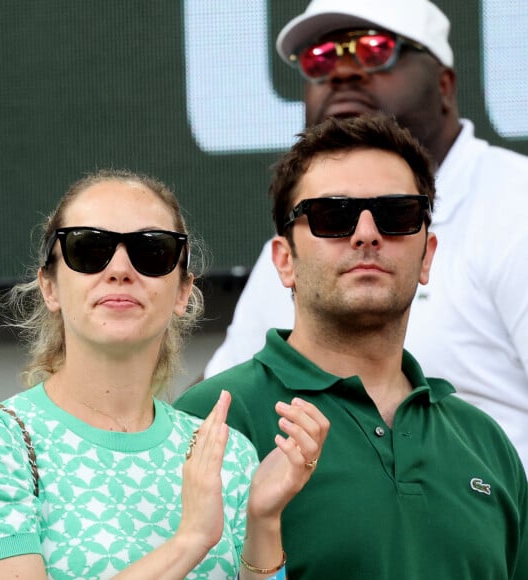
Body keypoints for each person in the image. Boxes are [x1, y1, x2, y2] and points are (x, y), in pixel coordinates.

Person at [176, 114, 528, 579]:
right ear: (284, 262)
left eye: (397, 214)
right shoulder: (208, 421)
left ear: (428, 255)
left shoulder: (487, 444)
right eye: (332, 216)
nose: (366, 233)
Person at [0, 169, 329, 579]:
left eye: (153, 252)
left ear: (183, 292)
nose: (119, 269)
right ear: (50, 286)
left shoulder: (229, 455)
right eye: (88, 248)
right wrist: (190, 540)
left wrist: (264, 520)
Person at [203, 0, 528, 469]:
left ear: (444, 85)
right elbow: (220, 413)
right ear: (285, 259)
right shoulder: (309, 236)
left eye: (374, 51)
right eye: (320, 60)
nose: (341, 72)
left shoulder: (516, 203)